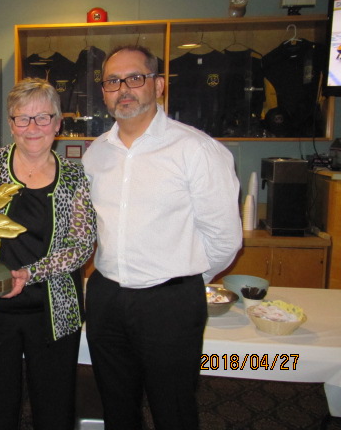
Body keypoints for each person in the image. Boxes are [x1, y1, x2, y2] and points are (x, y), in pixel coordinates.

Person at [82, 45, 242, 430]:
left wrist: (181, 281)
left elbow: (225, 239)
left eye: (134, 78)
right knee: (116, 405)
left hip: (170, 302)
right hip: (106, 298)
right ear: (103, 90)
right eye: (112, 81)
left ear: (158, 85)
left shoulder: (196, 149)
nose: (123, 89)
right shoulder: (95, 153)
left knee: (173, 408)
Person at [0, 78, 96, 430]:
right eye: (22, 118)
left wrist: (27, 274)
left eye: (42, 117)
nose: (32, 128)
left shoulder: (73, 177)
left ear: (58, 123)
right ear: (10, 124)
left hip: (54, 310)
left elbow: (81, 244)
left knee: (54, 409)